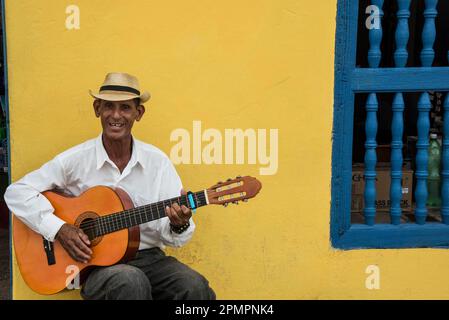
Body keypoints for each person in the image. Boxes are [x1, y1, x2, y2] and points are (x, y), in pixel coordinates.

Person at [4, 72, 216, 300]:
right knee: (130, 281)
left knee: (194, 287)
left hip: (149, 258)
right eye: (108, 107)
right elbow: (16, 192)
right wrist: (59, 229)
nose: (116, 115)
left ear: (139, 113)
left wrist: (179, 224)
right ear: (97, 109)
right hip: (95, 267)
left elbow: (171, 236)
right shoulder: (75, 160)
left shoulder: (158, 163)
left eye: (125, 108)